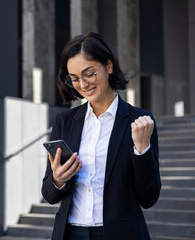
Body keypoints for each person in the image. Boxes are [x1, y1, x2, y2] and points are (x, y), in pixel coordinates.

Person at [41, 32, 161, 240]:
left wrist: (142, 151)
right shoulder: (65, 121)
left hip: (120, 234)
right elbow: (49, 194)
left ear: (109, 66)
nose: (83, 84)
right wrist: (57, 180)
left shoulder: (140, 121)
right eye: (75, 79)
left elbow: (148, 198)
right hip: (71, 233)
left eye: (89, 73)